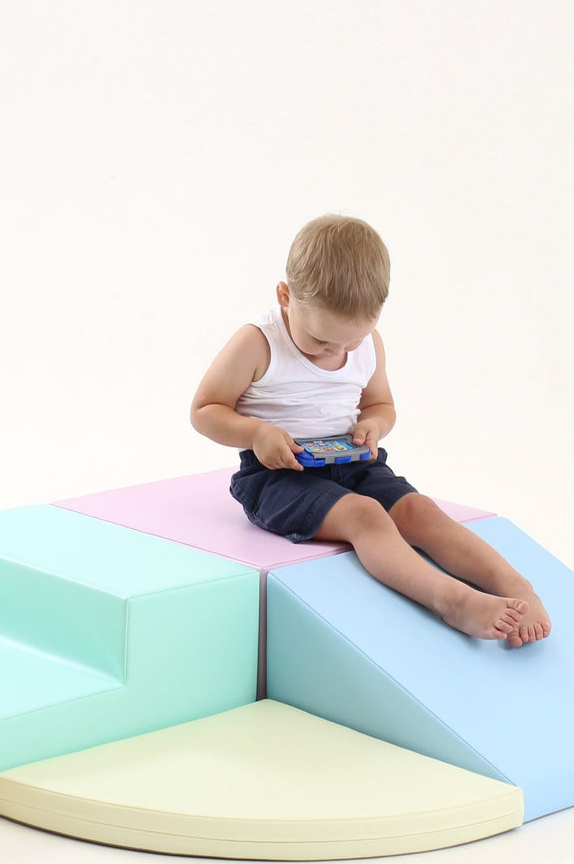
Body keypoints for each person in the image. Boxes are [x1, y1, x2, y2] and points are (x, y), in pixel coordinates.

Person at [190, 214, 551, 648]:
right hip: (277, 476)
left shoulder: (369, 343)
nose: (336, 352)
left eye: (350, 342)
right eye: (321, 341)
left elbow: (381, 405)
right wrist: (255, 433)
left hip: (354, 462)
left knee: (421, 511)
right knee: (367, 516)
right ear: (286, 296)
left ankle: (517, 587)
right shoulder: (256, 343)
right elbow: (205, 410)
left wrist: (373, 425)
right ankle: (450, 600)